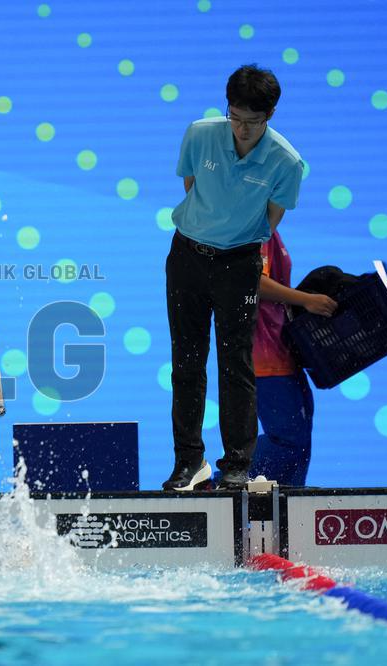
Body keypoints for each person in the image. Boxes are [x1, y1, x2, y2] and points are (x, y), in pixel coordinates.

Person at [164, 64, 304, 491]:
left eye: (252, 121)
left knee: (236, 364)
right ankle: (189, 461)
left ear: (270, 115)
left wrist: (232, 239)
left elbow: (270, 221)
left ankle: (238, 464)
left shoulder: (286, 162)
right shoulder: (199, 134)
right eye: (235, 117)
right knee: (187, 362)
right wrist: (210, 230)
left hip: (239, 265)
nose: (242, 129)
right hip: (187, 256)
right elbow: (192, 187)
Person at [248, 231, 335, 486]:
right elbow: (253, 281)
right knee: (288, 441)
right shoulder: (256, 227)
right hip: (265, 358)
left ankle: (292, 503)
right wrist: (306, 300)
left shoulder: (271, 231)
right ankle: (221, 483)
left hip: (284, 353)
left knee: (300, 442)